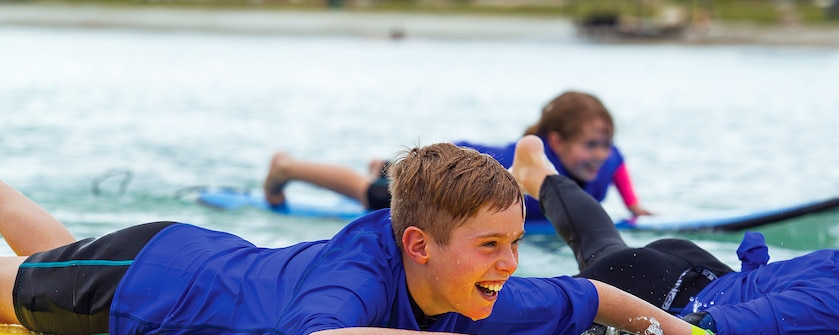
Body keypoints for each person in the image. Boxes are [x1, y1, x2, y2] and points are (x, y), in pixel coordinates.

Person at [0, 143, 729, 335]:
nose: (510, 264)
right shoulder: (358, 273)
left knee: (56, 252)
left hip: (193, 255)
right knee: (33, 279)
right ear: (418, 244)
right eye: (491, 246)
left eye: (514, 243)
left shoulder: (474, 286)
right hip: (141, 285)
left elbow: (596, 295)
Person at [510, 134, 839, 335]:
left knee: (603, 248)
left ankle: (538, 174)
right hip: (660, 297)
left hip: (693, 270)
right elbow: (704, 329)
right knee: (508, 316)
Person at [263, 91, 651, 221]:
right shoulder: (531, 163)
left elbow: (618, 164)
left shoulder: (606, 158)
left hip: (455, 162)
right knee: (377, 197)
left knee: (393, 173)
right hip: (458, 166)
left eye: (604, 144)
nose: (599, 155)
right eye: (589, 145)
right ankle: (288, 167)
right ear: (556, 142)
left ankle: (387, 165)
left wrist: (634, 205)